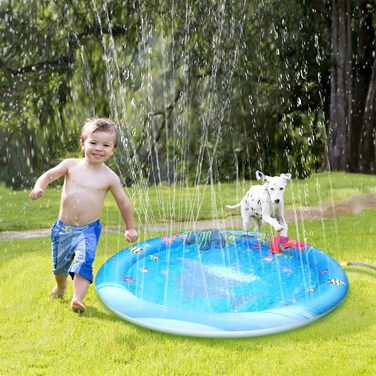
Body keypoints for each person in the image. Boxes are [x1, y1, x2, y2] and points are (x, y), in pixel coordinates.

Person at [30, 117, 138, 313]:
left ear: (113, 150)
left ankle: (77, 299)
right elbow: (48, 175)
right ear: (82, 143)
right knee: (60, 267)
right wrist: (39, 187)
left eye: (106, 145)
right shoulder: (70, 165)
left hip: (88, 230)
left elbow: (123, 202)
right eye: (93, 142)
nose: (99, 148)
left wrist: (130, 227)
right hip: (63, 228)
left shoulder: (110, 177)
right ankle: (61, 287)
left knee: (84, 261)